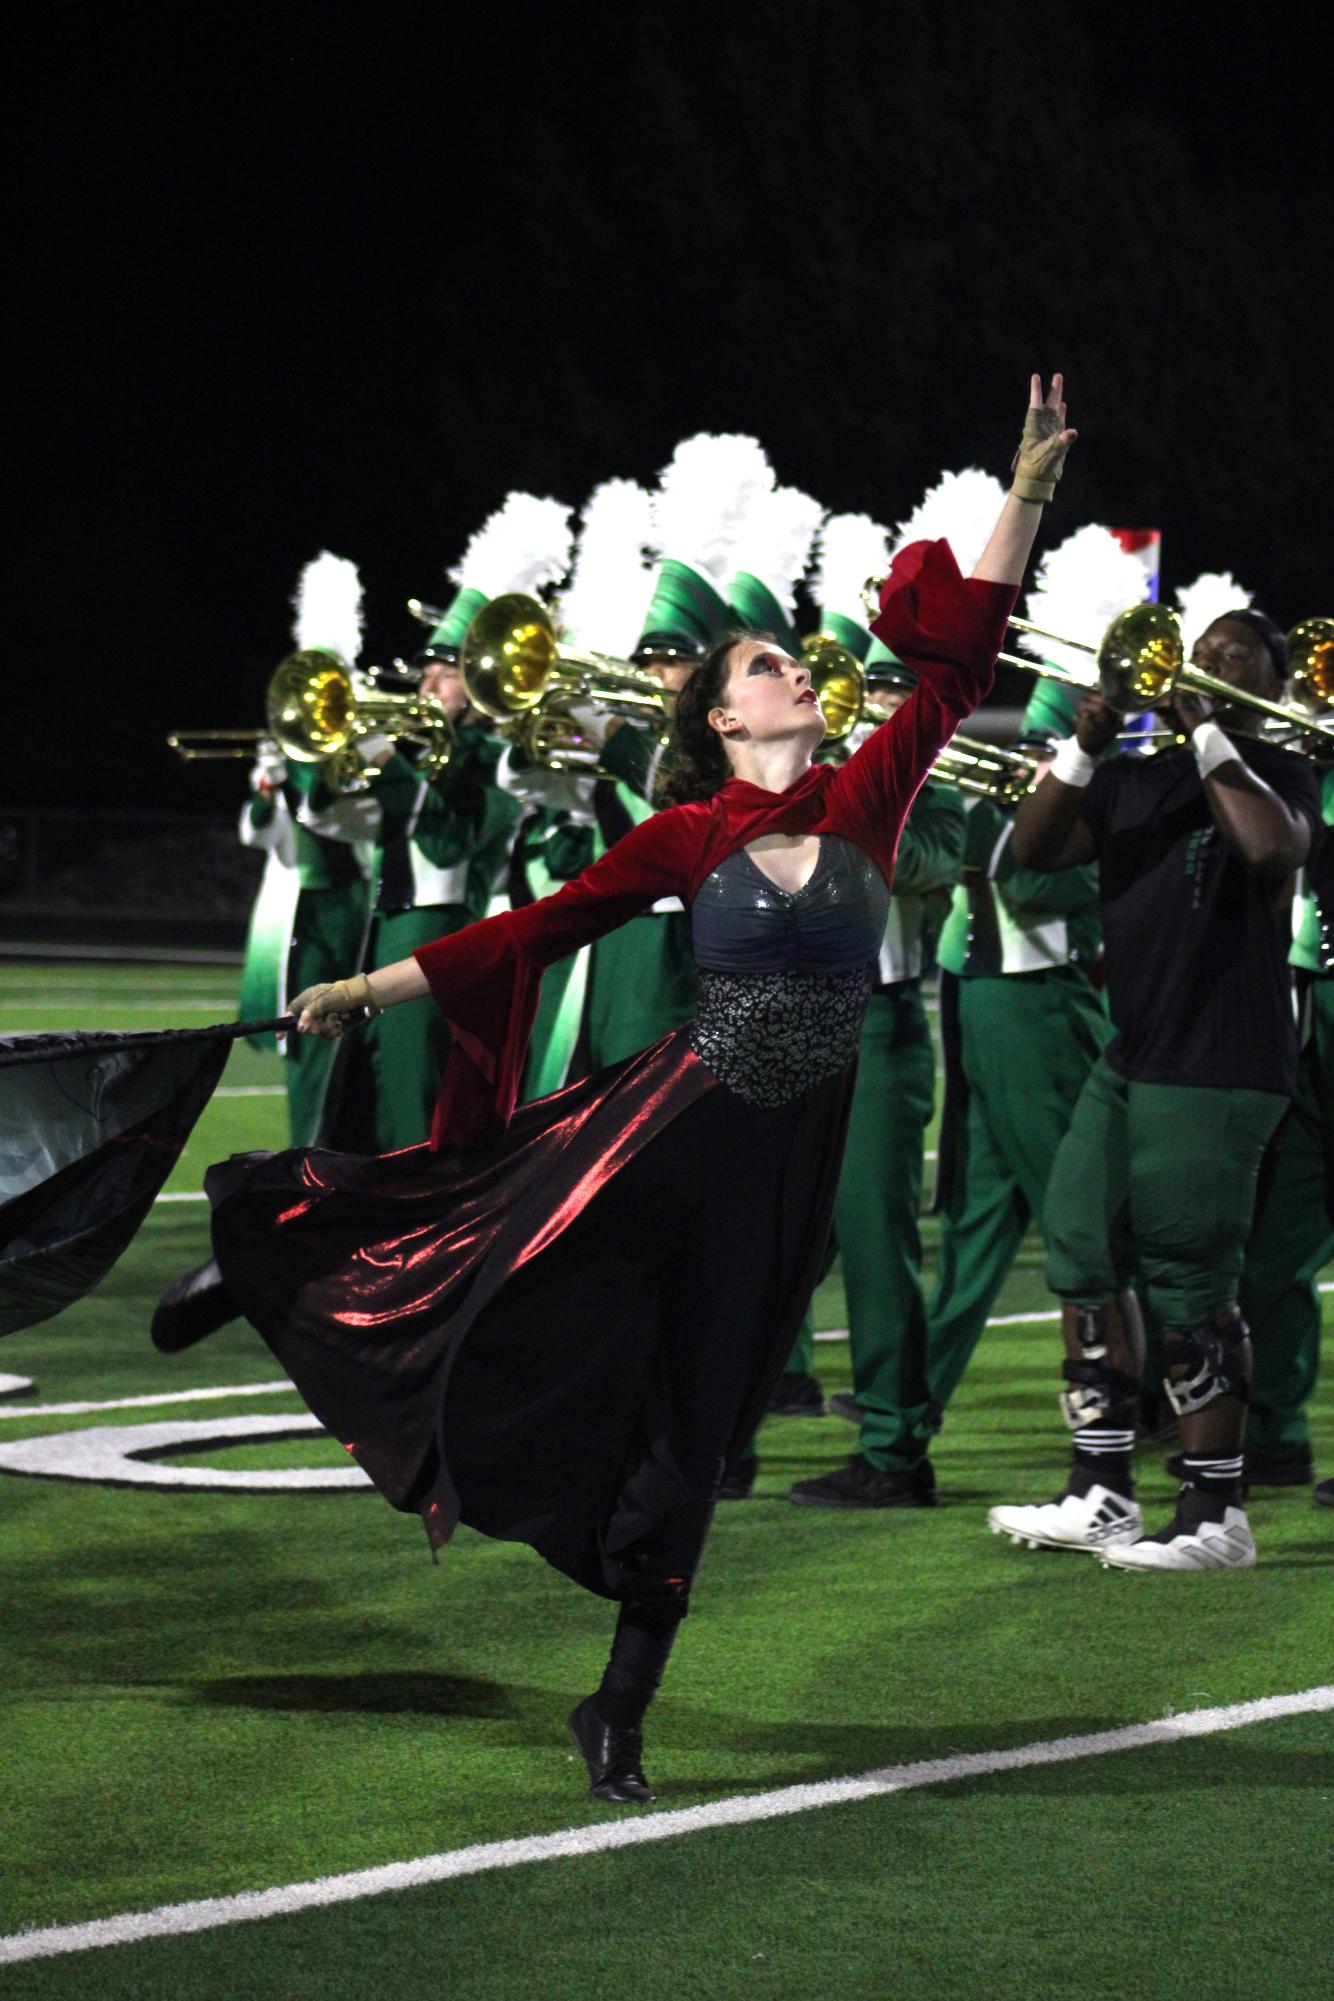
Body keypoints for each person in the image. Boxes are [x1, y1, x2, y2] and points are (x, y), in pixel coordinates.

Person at [205, 378, 1074, 1803]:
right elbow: (519, 936)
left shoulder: (862, 799)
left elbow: (958, 672)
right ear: (722, 720)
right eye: (762, 669)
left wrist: (1022, 491)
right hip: (670, 1133)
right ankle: (290, 1251)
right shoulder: (683, 832)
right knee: (497, 1278)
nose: (793, 672)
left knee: (703, 1431)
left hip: (784, 1161)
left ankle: (616, 1708)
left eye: (786, 663)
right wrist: (362, 988)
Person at [990, 609, 1321, 1570]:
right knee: (1081, 1243)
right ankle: (1099, 1488)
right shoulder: (1135, 774)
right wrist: (1085, 751)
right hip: (1136, 1053)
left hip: (1222, 1061)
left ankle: (1218, 1515)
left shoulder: (1282, 770)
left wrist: (1210, 728)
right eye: (1200, 652)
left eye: (1233, 658)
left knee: (1189, 1277)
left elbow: (1270, 849)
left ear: (1272, 681)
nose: (1206, 664)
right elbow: (1035, 853)